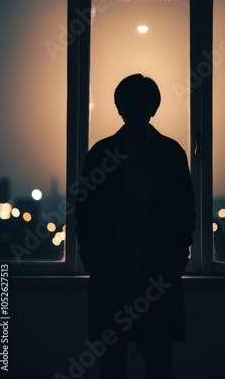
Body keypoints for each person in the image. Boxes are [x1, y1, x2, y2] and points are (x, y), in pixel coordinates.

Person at [75, 74, 196, 379]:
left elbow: (84, 213)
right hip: (141, 274)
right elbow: (186, 213)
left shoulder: (103, 153)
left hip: (131, 274)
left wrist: (92, 260)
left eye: (140, 103)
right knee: (151, 362)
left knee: (123, 362)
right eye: (132, 103)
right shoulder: (169, 153)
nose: (136, 109)